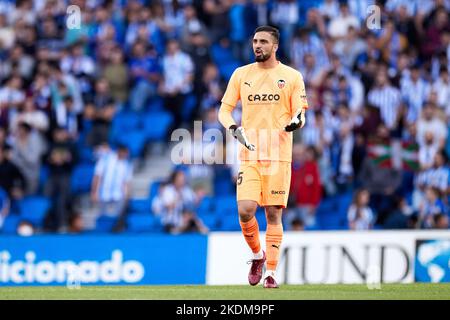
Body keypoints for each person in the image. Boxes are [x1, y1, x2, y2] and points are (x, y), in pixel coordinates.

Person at [218, 26, 308, 288]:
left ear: (275, 46)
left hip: (279, 156)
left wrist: (295, 122)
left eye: (263, 42)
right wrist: (234, 128)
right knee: (245, 210)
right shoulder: (241, 74)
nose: (257, 45)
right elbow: (224, 110)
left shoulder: (291, 77)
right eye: (255, 41)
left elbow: (300, 113)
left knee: (272, 215)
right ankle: (257, 255)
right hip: (250, 155)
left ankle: (270, 272)